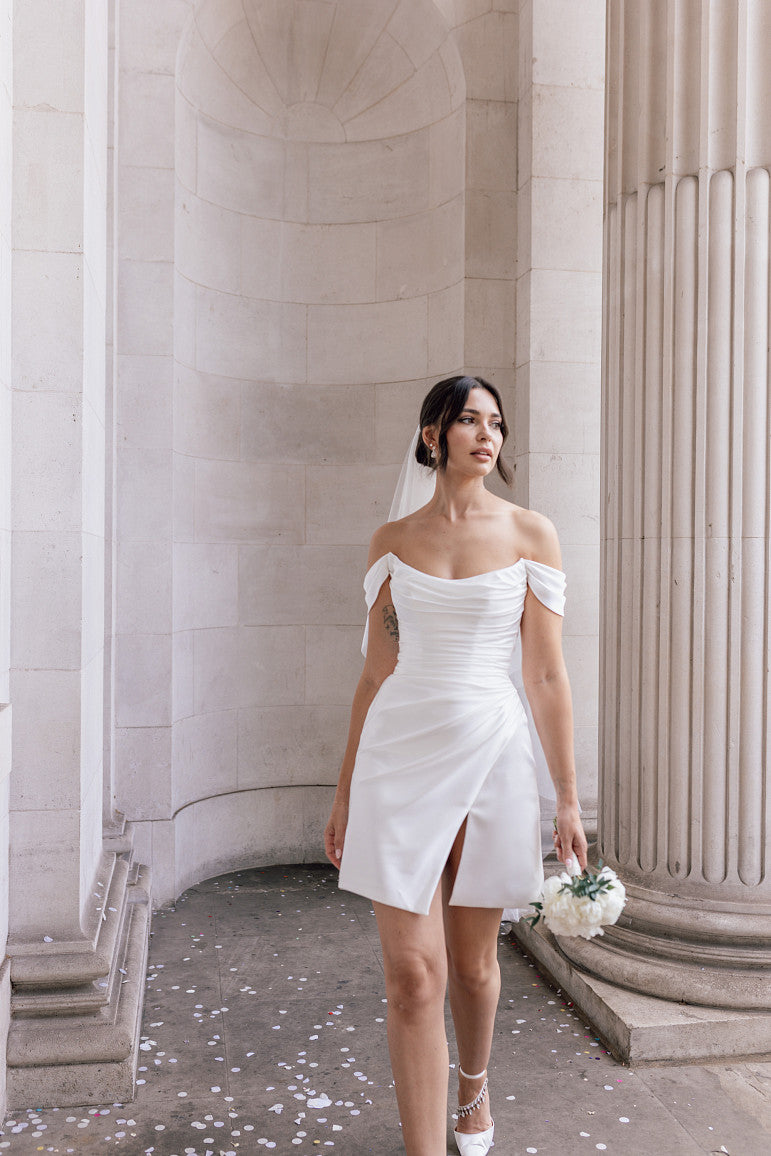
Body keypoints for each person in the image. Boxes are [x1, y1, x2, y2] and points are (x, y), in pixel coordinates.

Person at [324, 375, 587, 1156]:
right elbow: (374, 674)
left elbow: (543, 675)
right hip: (396, 759)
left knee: (472, 969)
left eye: (496, 423)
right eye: (469, 420)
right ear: (433, 434)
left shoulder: (530, 534)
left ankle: (472, 1094)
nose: (486, 435)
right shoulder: (391, 541)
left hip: (490, 754)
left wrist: (567, 800)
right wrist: (342, 794)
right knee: (413, 977)